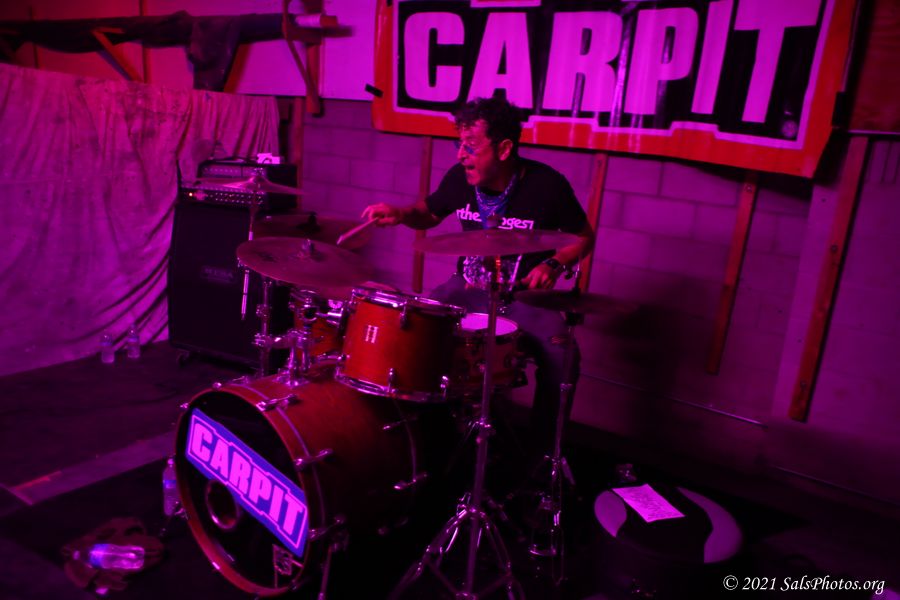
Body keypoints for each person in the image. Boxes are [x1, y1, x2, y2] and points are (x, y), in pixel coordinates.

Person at [361, 96, 594, 458]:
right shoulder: (461, 179)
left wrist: (553, 265)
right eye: (459, 145)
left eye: (470, 146)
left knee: (562, 356)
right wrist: (401, 214)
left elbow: (583, 236)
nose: (460, 155)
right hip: (467, 288)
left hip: (524, 297)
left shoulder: (547, 185)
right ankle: (419, 438)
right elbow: (428, 212)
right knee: (417, 327)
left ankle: (543, 454)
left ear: (504, 148)